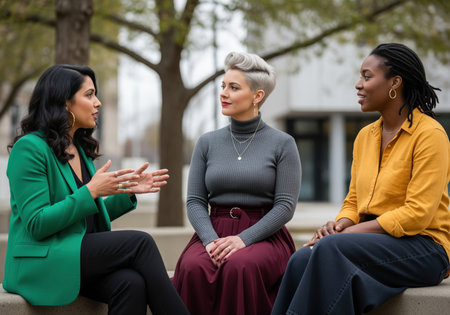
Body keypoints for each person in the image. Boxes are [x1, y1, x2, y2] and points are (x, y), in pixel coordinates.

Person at [271, 43, 450, 315]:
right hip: (370, 242)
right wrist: (340, 224)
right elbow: (355, 199)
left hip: (425, 248)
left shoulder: (430, 135)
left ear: (395, 83)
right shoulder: (366, 137)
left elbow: (418, 214)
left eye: (367, 76)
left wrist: (348, 233)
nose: (358, 84)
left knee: (330, 249)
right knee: (300, 260)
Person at [3, 64, 189, 315]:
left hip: (72, 252)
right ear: (65, 102)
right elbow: (37, 223)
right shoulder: (29, 149)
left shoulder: (79, 150)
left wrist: (128, 192)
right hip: (40, 261)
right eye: (89, 95)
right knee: (140, 242)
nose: (98, 103)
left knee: (130, 283)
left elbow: (86, 216)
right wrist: (90, 191)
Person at [171, 52, 302, 315]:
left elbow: (285, 207)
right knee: (193, 267)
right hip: (213, 230)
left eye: (233, 87)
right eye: (223, 87)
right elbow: (196, 200)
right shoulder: (207, 142)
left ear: (257, 96)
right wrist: (209, 240)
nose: (224, 93)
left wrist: (244, 239)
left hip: (264, 234)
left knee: (239, 267)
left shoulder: (283, 143)